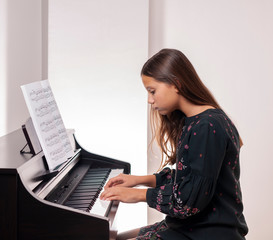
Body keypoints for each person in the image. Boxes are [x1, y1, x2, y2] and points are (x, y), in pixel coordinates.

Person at [100, 48, 248, 240]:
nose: (149, 100)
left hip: (209, 232)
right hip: (191, 227)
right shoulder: (196, 121)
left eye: (152, 91)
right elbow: (189, 177)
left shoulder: (206, 126)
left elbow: (186, 201)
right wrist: (138, 180)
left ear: (176, 84)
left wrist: (136, 196)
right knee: (112, 237)